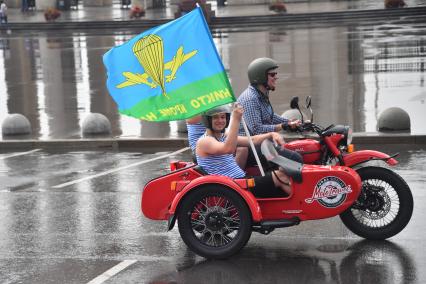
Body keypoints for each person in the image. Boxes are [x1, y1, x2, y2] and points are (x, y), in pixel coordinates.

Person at [196, 104, 292, 198]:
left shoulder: (223, 136)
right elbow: (228, 149)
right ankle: (304, 207)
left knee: (284, 171)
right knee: (280, 176)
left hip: (239, 181)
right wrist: (236, 119)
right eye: (215, 118)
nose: (220, 120)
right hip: (232, 186)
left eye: (223, 117)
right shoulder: (205, 141)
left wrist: (271, 134)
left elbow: (252, 140)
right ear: (207, 120)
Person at [237, 57, 303, 167]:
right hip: (249, 147)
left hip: (261, 143)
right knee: (295, 157)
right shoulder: (250, 99)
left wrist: (291, 122)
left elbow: (270, 117)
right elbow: (257, 129)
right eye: (272, 75)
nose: (276, 77)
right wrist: (284, 126)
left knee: (297, 149)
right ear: (260, 76)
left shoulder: (262, 94)